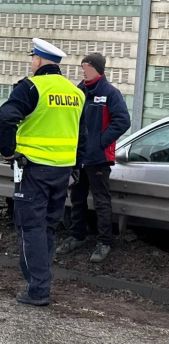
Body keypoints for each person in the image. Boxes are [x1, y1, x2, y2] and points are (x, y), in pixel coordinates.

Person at [0, 38, 86, 306]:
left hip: (33, 169)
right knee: (47, 227)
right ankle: (42, 282)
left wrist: (7, 150)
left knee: (30, 228)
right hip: (62, 171)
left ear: (38, 61)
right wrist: (76, 166)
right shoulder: (76, 93)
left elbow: (4, 117)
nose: (31, 63)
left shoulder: (31, 87)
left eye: (32, 59)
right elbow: (82, 135)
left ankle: (38, 290)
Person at [56, 52, 130, 263]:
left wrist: (99, 142)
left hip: (98, 158)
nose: (83, 72)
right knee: (77, 198)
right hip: (78, 157)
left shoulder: (110, 93)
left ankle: (104, 241)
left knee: (101, 201)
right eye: (82, 68)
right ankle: (77, 235)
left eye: (86, 68)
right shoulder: (78, 91)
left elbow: (123, 121)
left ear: (97, 69)